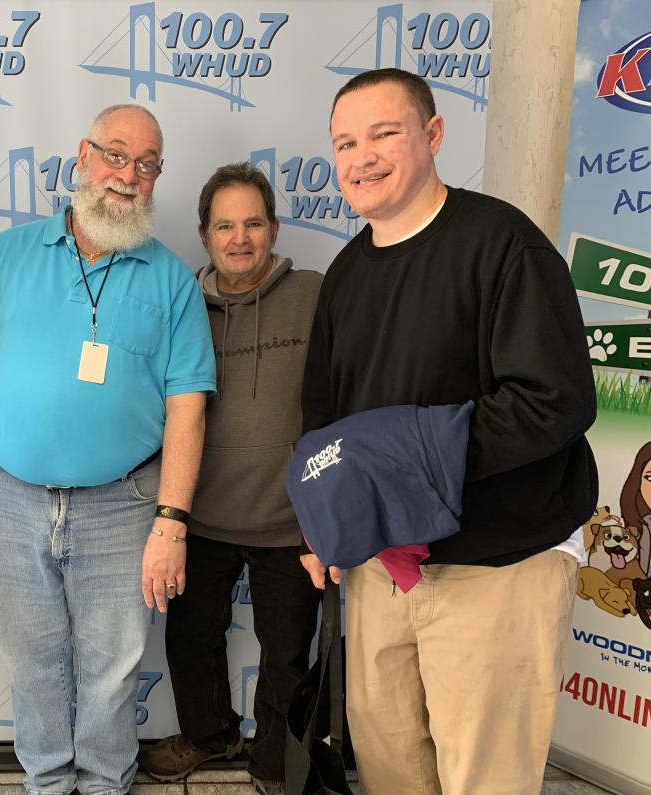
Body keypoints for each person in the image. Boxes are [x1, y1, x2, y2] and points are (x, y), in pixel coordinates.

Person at [300, 68, 598, 795]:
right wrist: (322, 525)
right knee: (393, 771)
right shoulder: (343, 273)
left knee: (484, 780)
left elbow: (553, 401)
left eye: (384, 134)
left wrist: (405, 463)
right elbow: (323, 417)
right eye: (345, 142)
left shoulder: (502, 245)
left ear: (433, 135)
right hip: (381, 571)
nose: (361, 157)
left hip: (495, 567)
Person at [0, 104, 216, 795]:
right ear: (82, 158)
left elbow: (188, 406)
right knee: (32, 662)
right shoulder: (7, 255)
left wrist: (172, 520)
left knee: (113, 667)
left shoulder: (172, 279)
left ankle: (102, 781)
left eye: (147, 164)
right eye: (116, 155)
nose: (128, 175)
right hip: (8, 497)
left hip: (123, 506)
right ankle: (46, 780)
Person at [139, 163, 322, 795]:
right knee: (190, 640)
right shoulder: (177, 303)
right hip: (200, 515)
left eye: (252, 223)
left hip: (292, 520)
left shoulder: (318, 294)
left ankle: (274, 761)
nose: (239, 238)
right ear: (203, 233)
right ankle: (209, 734)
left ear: (273, 228)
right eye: (224, 226)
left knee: (288, 656)